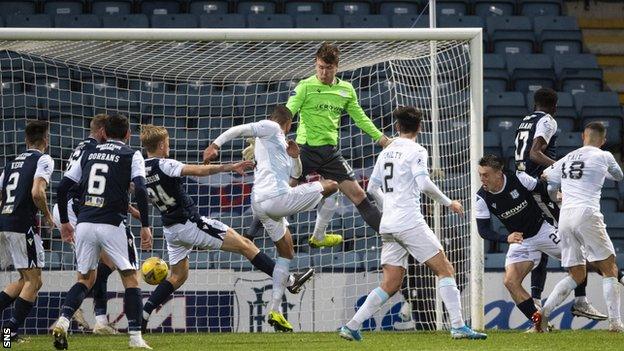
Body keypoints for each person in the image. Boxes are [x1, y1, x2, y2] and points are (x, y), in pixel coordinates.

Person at [139, 125, 314, 332]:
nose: (168, 146)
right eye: (167, 143)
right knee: (246, 245)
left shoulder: (140, 169)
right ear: (161, 145)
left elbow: (140, 192)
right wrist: (229, 167)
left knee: (178, 276)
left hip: (171, 229)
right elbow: (199, 170)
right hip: (191, 224)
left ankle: (144, 312)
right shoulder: (166, 164)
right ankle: (291, 280)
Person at [339, 106, 486, 341]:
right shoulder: (417, 150)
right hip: (408, 221)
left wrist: (389, 205)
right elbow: (425, 184)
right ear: (420, 127)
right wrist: (449, 203)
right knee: (445, 269)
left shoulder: (386, 151)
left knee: (391, 282)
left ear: (397, 127)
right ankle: (458, 326)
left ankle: (351, 325)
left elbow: (371, 188)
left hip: (388, 224)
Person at [204, 106, 338, 332]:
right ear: (288, 124)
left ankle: (275, 310)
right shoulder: (272, 127)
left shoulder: (278, 148)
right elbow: (239, 129)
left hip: (261, 203)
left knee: (286, 252)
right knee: (333, 185)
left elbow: (294, 180)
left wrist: (295, 157)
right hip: (275, 199)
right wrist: (215, 145)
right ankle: (319, 236)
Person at [53, 114, 152, 349]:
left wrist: (66, 222)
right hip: (111, 222)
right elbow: (140, 188)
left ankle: (64, 320)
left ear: (104, 133)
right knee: (130, 278)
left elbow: (64, 186)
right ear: (128, 135)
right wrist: (145, 224)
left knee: (85, 279)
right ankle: (136, 338)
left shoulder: (89, 151)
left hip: (85, 222)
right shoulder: (132, 154)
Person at [285, 42, 393, 248]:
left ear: (337, 67)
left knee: (359, 195)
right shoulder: (305, 87)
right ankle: (250, 236)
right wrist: (267, 138)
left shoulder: (345, 90)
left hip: (329, 154)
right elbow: (287, 113)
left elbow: (360, 118)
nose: (323, 72)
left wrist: (381, 138)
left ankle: (390, 236)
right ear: (315, 65)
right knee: (281, 194)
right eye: (320, 67)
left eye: (328, 68)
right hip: (304, 151)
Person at [514, 88, 606, 320]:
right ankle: (581, 300)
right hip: (540, 186)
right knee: (573, 238)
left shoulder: (525, 120)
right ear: (554, 107)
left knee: (542, 239)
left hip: (526, 183)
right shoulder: (548, 121)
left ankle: (536, 300)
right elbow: (535, 153)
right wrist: (561, 167)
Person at [538, 122, 624, 332]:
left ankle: (542, 315)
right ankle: (615, 323)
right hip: (587, 213)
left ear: (583, 137)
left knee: (576, 273)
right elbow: (619, 175)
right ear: (603, 141)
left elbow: (546, 178)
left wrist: (556, 197)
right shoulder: (604, 156)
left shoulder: (566, 159)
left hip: (565, 216)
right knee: (609, 268)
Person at [51, 114, 128, 334]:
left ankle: (100, 320)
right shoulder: (94, 151)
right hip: (74, 210)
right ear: (104, 132)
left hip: (68, 208)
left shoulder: (81, 146)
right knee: (91, 273)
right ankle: (75, 309)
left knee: (102, 265)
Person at [477, 154, 564, 331]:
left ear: (498, 173)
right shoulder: (481, 198)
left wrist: (557, 194)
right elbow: (483, 230)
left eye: (485, 174)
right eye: (480, 174)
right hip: (521, 240)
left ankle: (615, 277)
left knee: (582, 261)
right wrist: (505, 238)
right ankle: (540, 324)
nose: (482, 179)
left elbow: (542, 188)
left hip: (543, 230)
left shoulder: (518, 178)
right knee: (510, 281)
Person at [0, 121, 54, 343]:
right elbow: (37, 192)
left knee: (24, 279)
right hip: (22, 224)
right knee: (35, 281)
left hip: (5, 222)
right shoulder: (43, 159)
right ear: (46, 140)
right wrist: (48, 215)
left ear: (26, 139)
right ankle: (8, 334)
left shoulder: (11, 164)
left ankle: (9, 333)